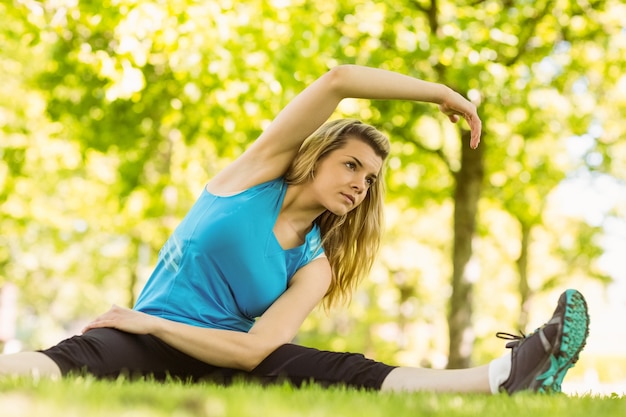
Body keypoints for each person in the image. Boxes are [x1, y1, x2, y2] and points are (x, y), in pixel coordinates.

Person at [0, 65, 589, 394]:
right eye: (352, 165)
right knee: (71, 358)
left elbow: (256, 349)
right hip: (143, 340)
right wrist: (440, 93)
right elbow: (337, 82)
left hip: (221, 357)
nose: (361, 184)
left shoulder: (314, 264)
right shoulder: (252, 177)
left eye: (370, 179)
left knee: (338, 367)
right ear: (318, 157)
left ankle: (507, 374)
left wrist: (147, 317)